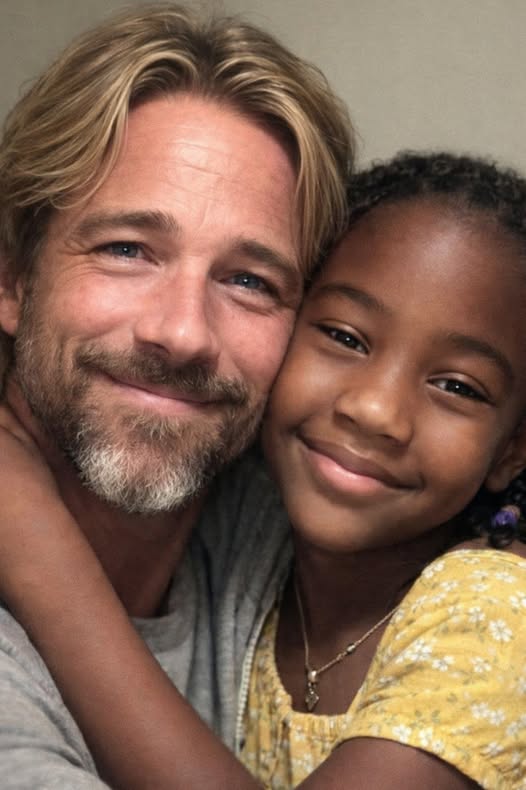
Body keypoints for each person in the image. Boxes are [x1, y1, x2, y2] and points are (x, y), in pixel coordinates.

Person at [1, 151, 525, 789]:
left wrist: (40, 552)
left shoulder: (496, 613)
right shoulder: (266, 562)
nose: (375, 411)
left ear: (512, 450)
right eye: (345, 337)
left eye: (458, 386)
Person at [0, 2, 354, 785]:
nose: (185, 332)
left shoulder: (295, 531)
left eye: (249, 281)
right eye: (128, 249)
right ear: (13, 279)